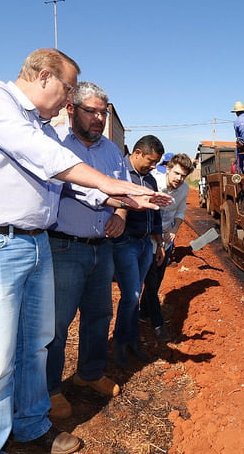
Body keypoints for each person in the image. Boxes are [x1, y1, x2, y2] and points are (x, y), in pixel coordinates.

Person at [0, 48, 169, 454]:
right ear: (45, 75)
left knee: (34, 345)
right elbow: (46, 158)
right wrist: (111, 184)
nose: (68, 100)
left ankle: (31, 425)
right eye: (68, 89)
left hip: (33, 243)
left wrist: (118, 198)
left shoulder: (42, 126)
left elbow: (67, 180)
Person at [46, 82, 129, 419]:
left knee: (99, 317)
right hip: (65, 247)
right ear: (70, 109)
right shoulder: (54, 147)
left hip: (102, 249)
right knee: (56, 324)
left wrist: (121, 213)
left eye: (103, 112)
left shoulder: (111, 150)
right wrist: (114, 201)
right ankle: (50, 388)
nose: (99, 118)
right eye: (92, 111)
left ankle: (89, 374)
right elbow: (70, 188)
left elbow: (123, 192)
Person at [112, 135, 165, 368]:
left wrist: (158, 244)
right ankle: (121, 345)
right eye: (151, 161)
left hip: (145, 245)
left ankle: (132, 341)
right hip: (126, 243)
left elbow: (155, 214)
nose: (154, 166)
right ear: (137, 153)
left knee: (136, 293)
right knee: (131, 295)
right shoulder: (119, 176)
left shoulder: (150, 180)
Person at [141, 153, 195, 341]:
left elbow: (180, 211)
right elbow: (149, 213)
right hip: (149, 239)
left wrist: (174, 230)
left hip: (166, 240)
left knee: (156, 281)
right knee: (151, 280)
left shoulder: (184, 188)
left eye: (183, 176)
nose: (179, 179)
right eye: (177, 174)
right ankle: (158, 324)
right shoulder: (153, 182)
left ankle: (143, 313)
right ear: (168, 168)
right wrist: (157, 242)